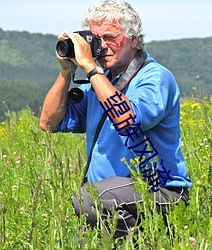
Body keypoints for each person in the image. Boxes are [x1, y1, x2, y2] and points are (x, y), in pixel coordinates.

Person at [40, 0, 192, 244]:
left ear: (133, 39)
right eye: (96, 39)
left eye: (110, 37)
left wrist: (90, 67)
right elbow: (49, 123)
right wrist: (66, 70)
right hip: (111, 199)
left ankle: (145, 240)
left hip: (160, 191)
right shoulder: (99, 83)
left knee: (88, 199)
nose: (102, 47)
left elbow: (128, 120)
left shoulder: (154, 77)